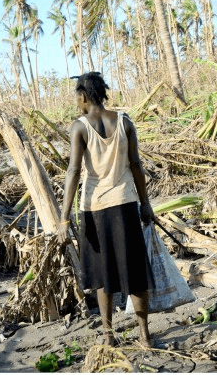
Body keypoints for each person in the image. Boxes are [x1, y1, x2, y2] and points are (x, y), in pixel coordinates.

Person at [58, 72, 156, 347]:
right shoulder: (125, 121)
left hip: (95, 207)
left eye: (77, 95)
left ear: (85, 96)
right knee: (135, 274)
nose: (75, 100)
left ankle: (108, 335)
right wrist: (146, 204)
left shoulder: (79, 127)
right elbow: (136, 166)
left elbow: (74, 171)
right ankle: (144, 336)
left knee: (102, 276)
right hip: (125, 204)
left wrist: (63, 219)